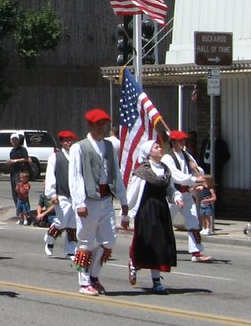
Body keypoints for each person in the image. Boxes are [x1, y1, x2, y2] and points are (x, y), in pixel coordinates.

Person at [70, 109, 128, 296]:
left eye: (104, 124)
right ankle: (84, 281)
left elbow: (116, 175)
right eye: (98, 124)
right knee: (85, 241)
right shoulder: (79, 147)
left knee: (109, 240)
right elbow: (75, 177)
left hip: (105, 199)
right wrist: (79, 202)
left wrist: (124, 200)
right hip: (88, 199)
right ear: (90, 125)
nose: (101, 127)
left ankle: (94, 275)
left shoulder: (110, 147)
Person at [126, 140, 182, 294]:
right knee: (145, 241)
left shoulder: (165, 170)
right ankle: (134, 263)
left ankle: (156, 281)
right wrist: (126, 213)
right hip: (146, 210)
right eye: (156, 147)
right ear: (149, 152)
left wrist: (176, 197)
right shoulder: (143, 171)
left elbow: (170, 189)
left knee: (160, 244)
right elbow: (132, 194)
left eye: (159, 147)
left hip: (161, 210)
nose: (160, 149)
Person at [161, 129, 211, 262]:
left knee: (193, 221)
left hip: (186, 193)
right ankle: (157, 249)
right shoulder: (167, 158)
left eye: (184, 140)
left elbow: (199, 171)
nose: (183, 142)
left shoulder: (187, 155)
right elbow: (178, 177)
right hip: (173, 194)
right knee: (164, 222)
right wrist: (195, 180)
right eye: (180, 140)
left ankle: (196, 252)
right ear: (173, 142)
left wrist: (197, 169)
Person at [43, 130, 78, 258]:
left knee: (73, 223)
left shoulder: (77, 156)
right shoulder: (55, 157)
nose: (69, 142)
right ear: (62, 142)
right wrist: (52, 194)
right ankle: (50, 239)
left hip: (75, 195)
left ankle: (70, 250)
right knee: (61, 221)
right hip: (61, 194)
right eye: (66, 140)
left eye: (71, 140)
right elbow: (50, 175)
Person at [7, 132, 30, 208]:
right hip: (13, 172)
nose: (14, 141)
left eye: (16, 139)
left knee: (22, 192)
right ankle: (20, 214)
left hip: (20, 172)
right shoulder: (12, 150)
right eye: (13, 140)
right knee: (15, 193)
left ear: (18, 140)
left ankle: (26, 214)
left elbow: (27, 159)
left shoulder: (22, 149)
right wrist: (10, 162)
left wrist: (15, 161)